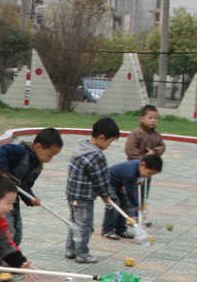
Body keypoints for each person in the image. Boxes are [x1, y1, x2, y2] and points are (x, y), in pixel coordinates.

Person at [0, 127, 63, 247]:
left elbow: (25, 187)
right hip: (0, 197)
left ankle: (11, 257)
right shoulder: (20, 151)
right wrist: (2, 171)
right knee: (7, 232)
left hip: (13, 200)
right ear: (38, 146)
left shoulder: (37, 167)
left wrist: (31, 199)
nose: (50, 159)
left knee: (17, 233)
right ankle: (3, 258)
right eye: (49, 155)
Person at [65, 117, 120, 264]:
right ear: (102, 138)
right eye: (110, 141)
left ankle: (70, 249)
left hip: (71, 194)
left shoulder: (81, 146)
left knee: (74, 222)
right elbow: (100, 179)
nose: (109, 145)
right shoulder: (96, 155)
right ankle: (82, 253)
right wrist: (105, 195)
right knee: (85, 225)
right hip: (83, 196)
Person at [102, 154, 163, 240]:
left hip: (119, 184)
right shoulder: (130, 173)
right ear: (143, 165)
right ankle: (107, 230)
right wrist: (137, 205)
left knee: (124, 204)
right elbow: (130, 192)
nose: (148, 176)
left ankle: (121, 230)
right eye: (149, 173)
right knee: (114, 205)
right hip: (107, 182)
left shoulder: (139, 166)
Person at [125, 105, 166, 226]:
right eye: (150, 118)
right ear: (142, 118)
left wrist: (155, 152)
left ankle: (141, 212)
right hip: (135, 168)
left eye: (155, 118)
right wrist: (144, 158)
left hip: (148, 170)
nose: (153, 120)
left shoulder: (156, 135)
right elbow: (130, 150)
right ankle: (130, 215)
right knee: (132, 191)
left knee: (144, 192)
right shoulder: (136, 133)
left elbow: (162, 146)